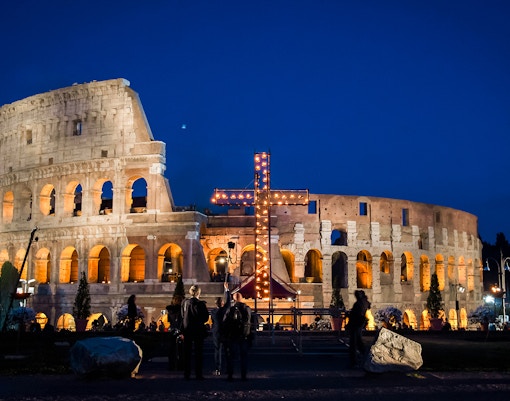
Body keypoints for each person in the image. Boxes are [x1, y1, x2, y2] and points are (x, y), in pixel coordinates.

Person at [180, 284, 209, 380]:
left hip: (187, 330)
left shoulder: (184, 303)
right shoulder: (201, 304)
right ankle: (198, 374)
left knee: (187, 353)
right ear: (198, 293)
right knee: (198, 353)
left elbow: (182, 316)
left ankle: (187, 373)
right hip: (197, 330)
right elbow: (205, 317)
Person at [223, 291, 252, 381]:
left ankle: (230, 375)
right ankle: (243, 375)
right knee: (243, 356)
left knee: (231, 356)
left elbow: (225, 322)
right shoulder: (246, 308)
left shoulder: (231, 309)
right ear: (241, 298)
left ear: (234, 299)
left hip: (233, 335)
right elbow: (249, 321)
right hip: (243, 335)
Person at [346, 290, 371, 368]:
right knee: (358, 342)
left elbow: (355, 314)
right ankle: (366, 357)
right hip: (358, 324)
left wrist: (350, 316)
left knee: (354, 343)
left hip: (355, 324)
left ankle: (356, 361)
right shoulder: (364, 303)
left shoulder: (359, 304)